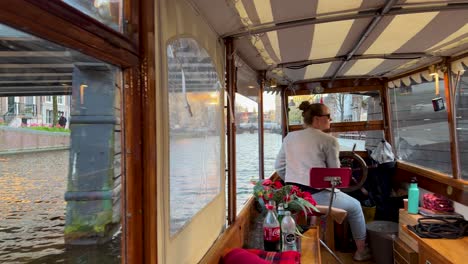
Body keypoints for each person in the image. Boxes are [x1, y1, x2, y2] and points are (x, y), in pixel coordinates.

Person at [274, 101, 371, 261]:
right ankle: (361, 251)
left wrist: (294, 182)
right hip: (316, 198)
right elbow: (336, 177)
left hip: (293, 198)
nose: (330, 119)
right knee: (355, 206)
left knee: (324, 205)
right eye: (328, 116)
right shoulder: (329, 140)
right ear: (317, 119)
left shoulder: (290, 137)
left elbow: (279, 166)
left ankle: (306, 235)